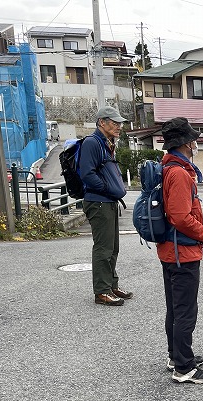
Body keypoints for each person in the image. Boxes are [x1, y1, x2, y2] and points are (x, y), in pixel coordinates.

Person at [158, 117, 203, 384]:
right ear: (185, 143)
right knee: (185, 311)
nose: (195, 143)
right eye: (193, 139)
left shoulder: (168, 167)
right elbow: (180, 216)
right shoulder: (179, 173)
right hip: (183, 252)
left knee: (175, 307)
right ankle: (184, 367)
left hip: (170, 250)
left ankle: (176, 355)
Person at [80, 105, 130, 306]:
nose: (119, 126)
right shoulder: (92, 142)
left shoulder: (106, 142)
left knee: (113, 247)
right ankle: (102, 291)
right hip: (98, 201)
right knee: (103, 248)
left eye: (119, 123)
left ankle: (111, 285)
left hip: (107, 201)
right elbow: (87, 174)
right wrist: (108, 189)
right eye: (115, 123)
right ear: (102, 122)